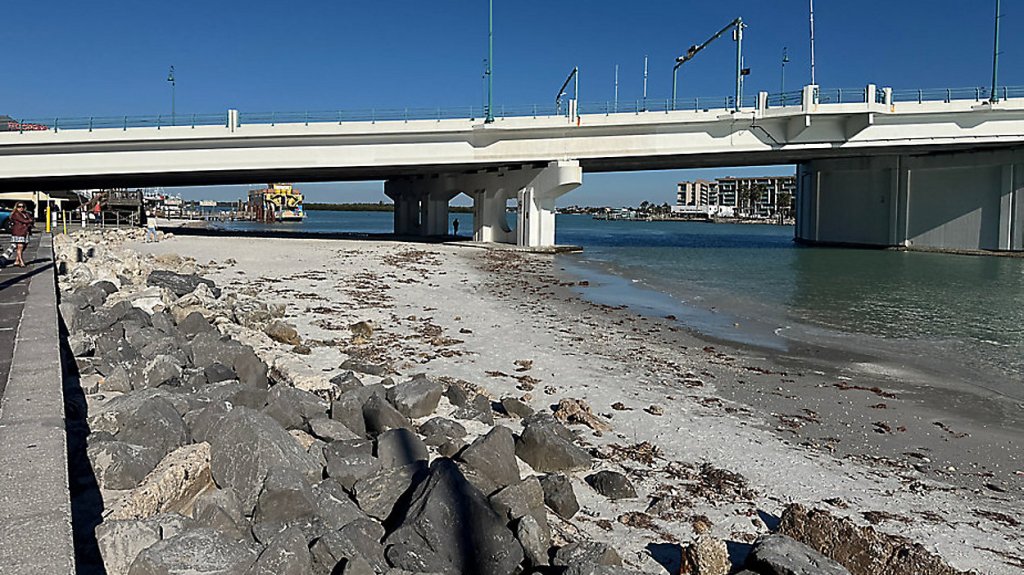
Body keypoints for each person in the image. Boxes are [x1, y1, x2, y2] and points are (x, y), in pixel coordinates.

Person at [9, 203, 34, 267]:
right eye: (19, 206)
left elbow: (30, 220)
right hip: (18, 232)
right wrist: (29, 221)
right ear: (16, 207)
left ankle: (17, 261)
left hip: (25, 232)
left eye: (22, 206)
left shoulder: (26, 213)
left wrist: (30, 221)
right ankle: (21, 262)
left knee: (24, 246)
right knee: (20, 247)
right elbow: (24, 221)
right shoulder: (16, 214)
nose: (21, 208)